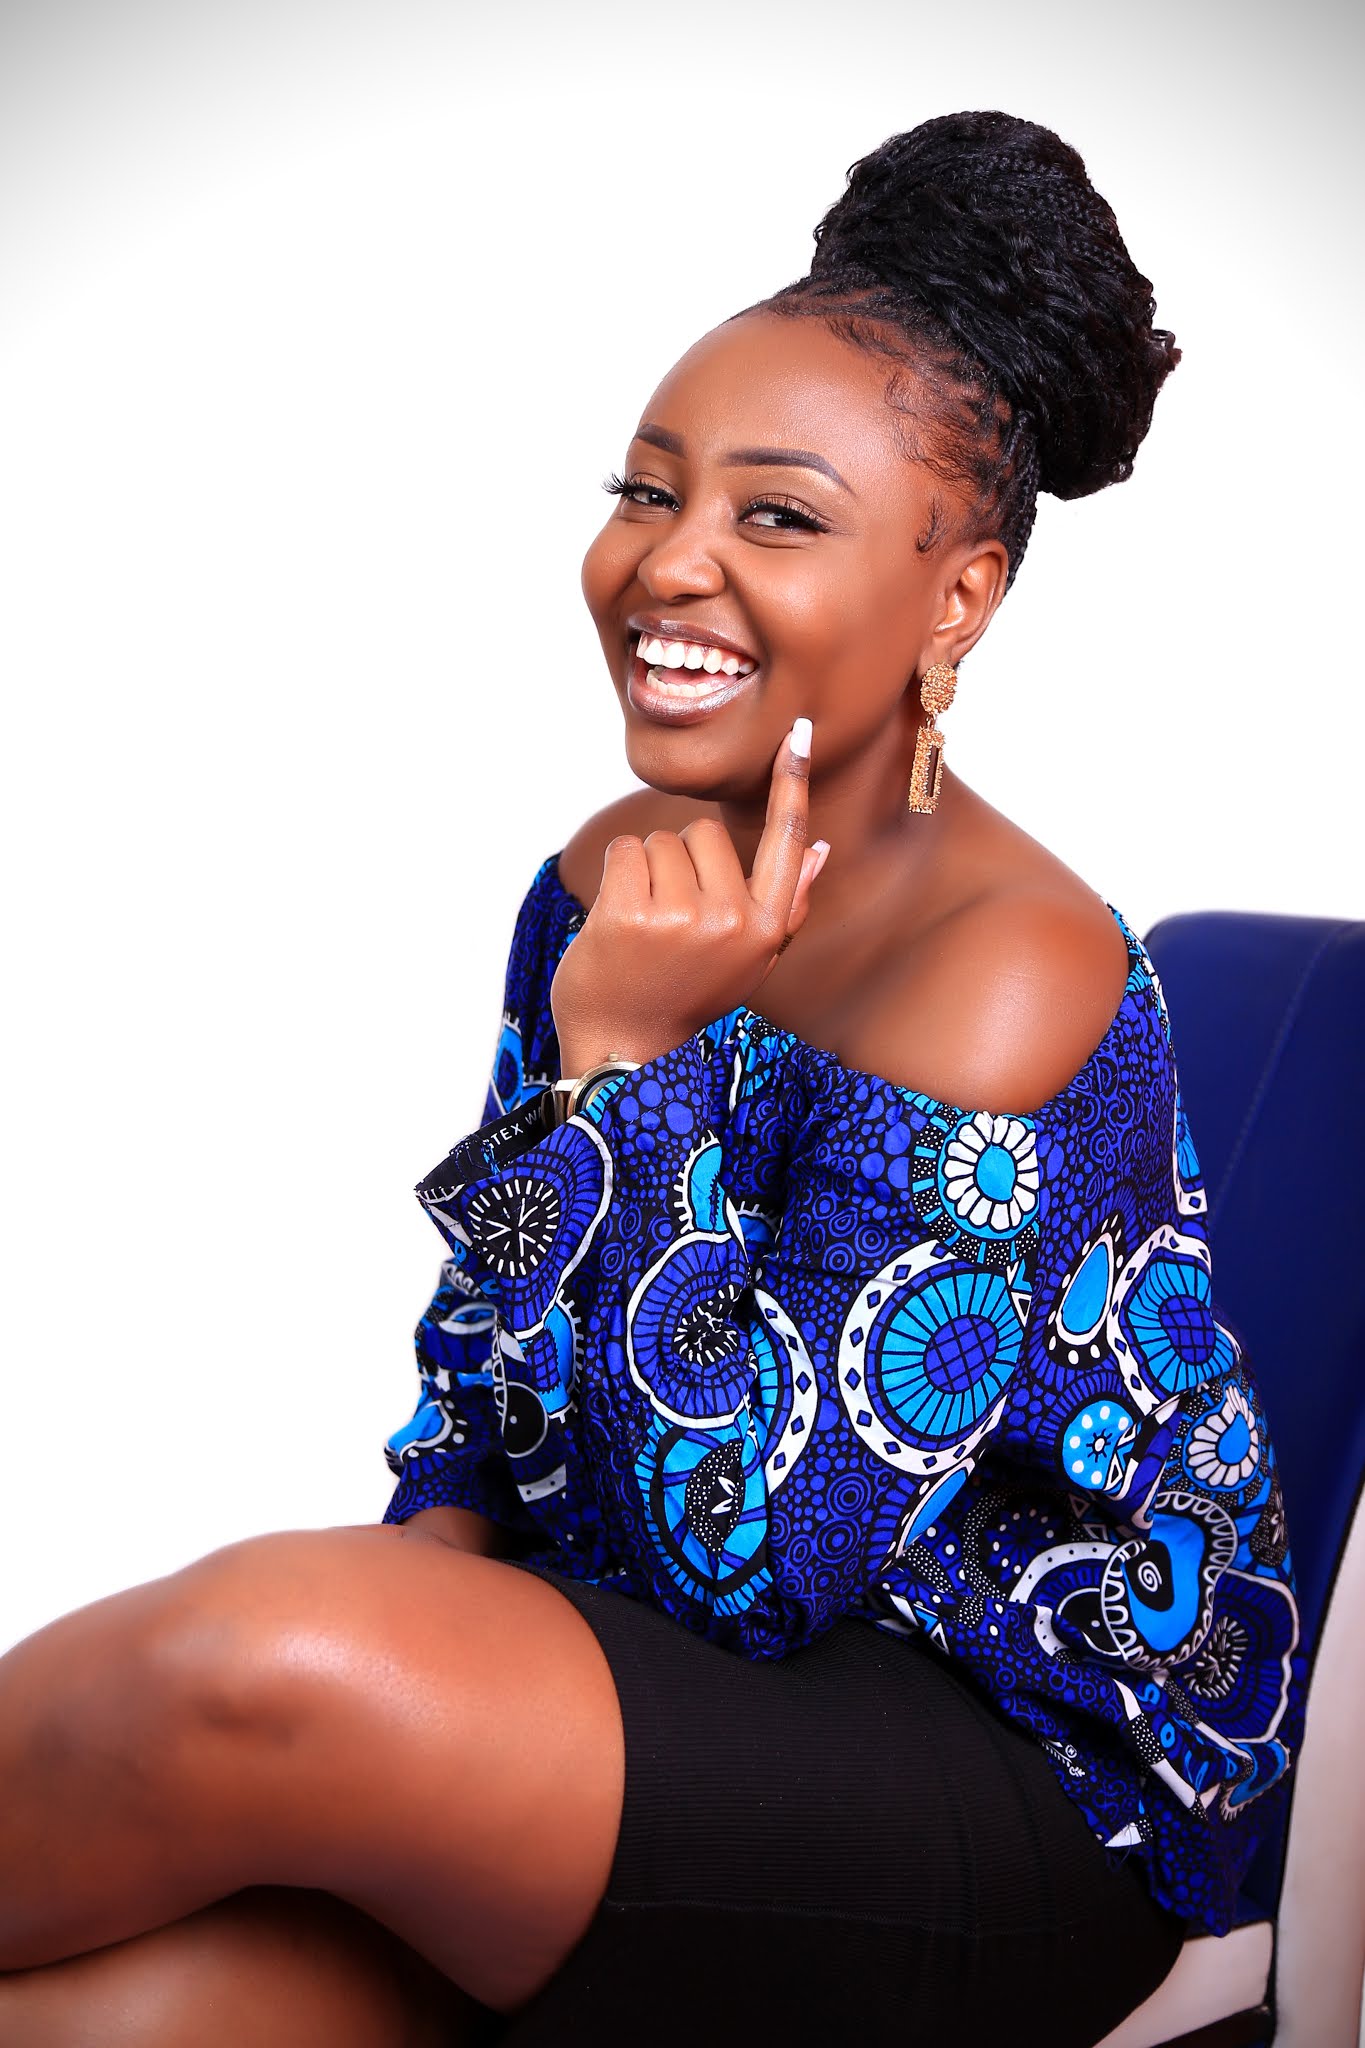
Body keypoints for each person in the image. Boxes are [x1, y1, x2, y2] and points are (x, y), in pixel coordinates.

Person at [0, 110, 1304, 2048]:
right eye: (644, 489)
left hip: (1010, 1774)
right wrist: (423, 1602)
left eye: (775, 517)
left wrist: (627, 1061)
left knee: (260, 1662)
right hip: (645, 1662)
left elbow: (754, 1563)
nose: (666, 563)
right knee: (118, 2002)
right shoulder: (615, 876)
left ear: (955, 598)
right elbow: (483, 1374)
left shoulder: (1007, 968)